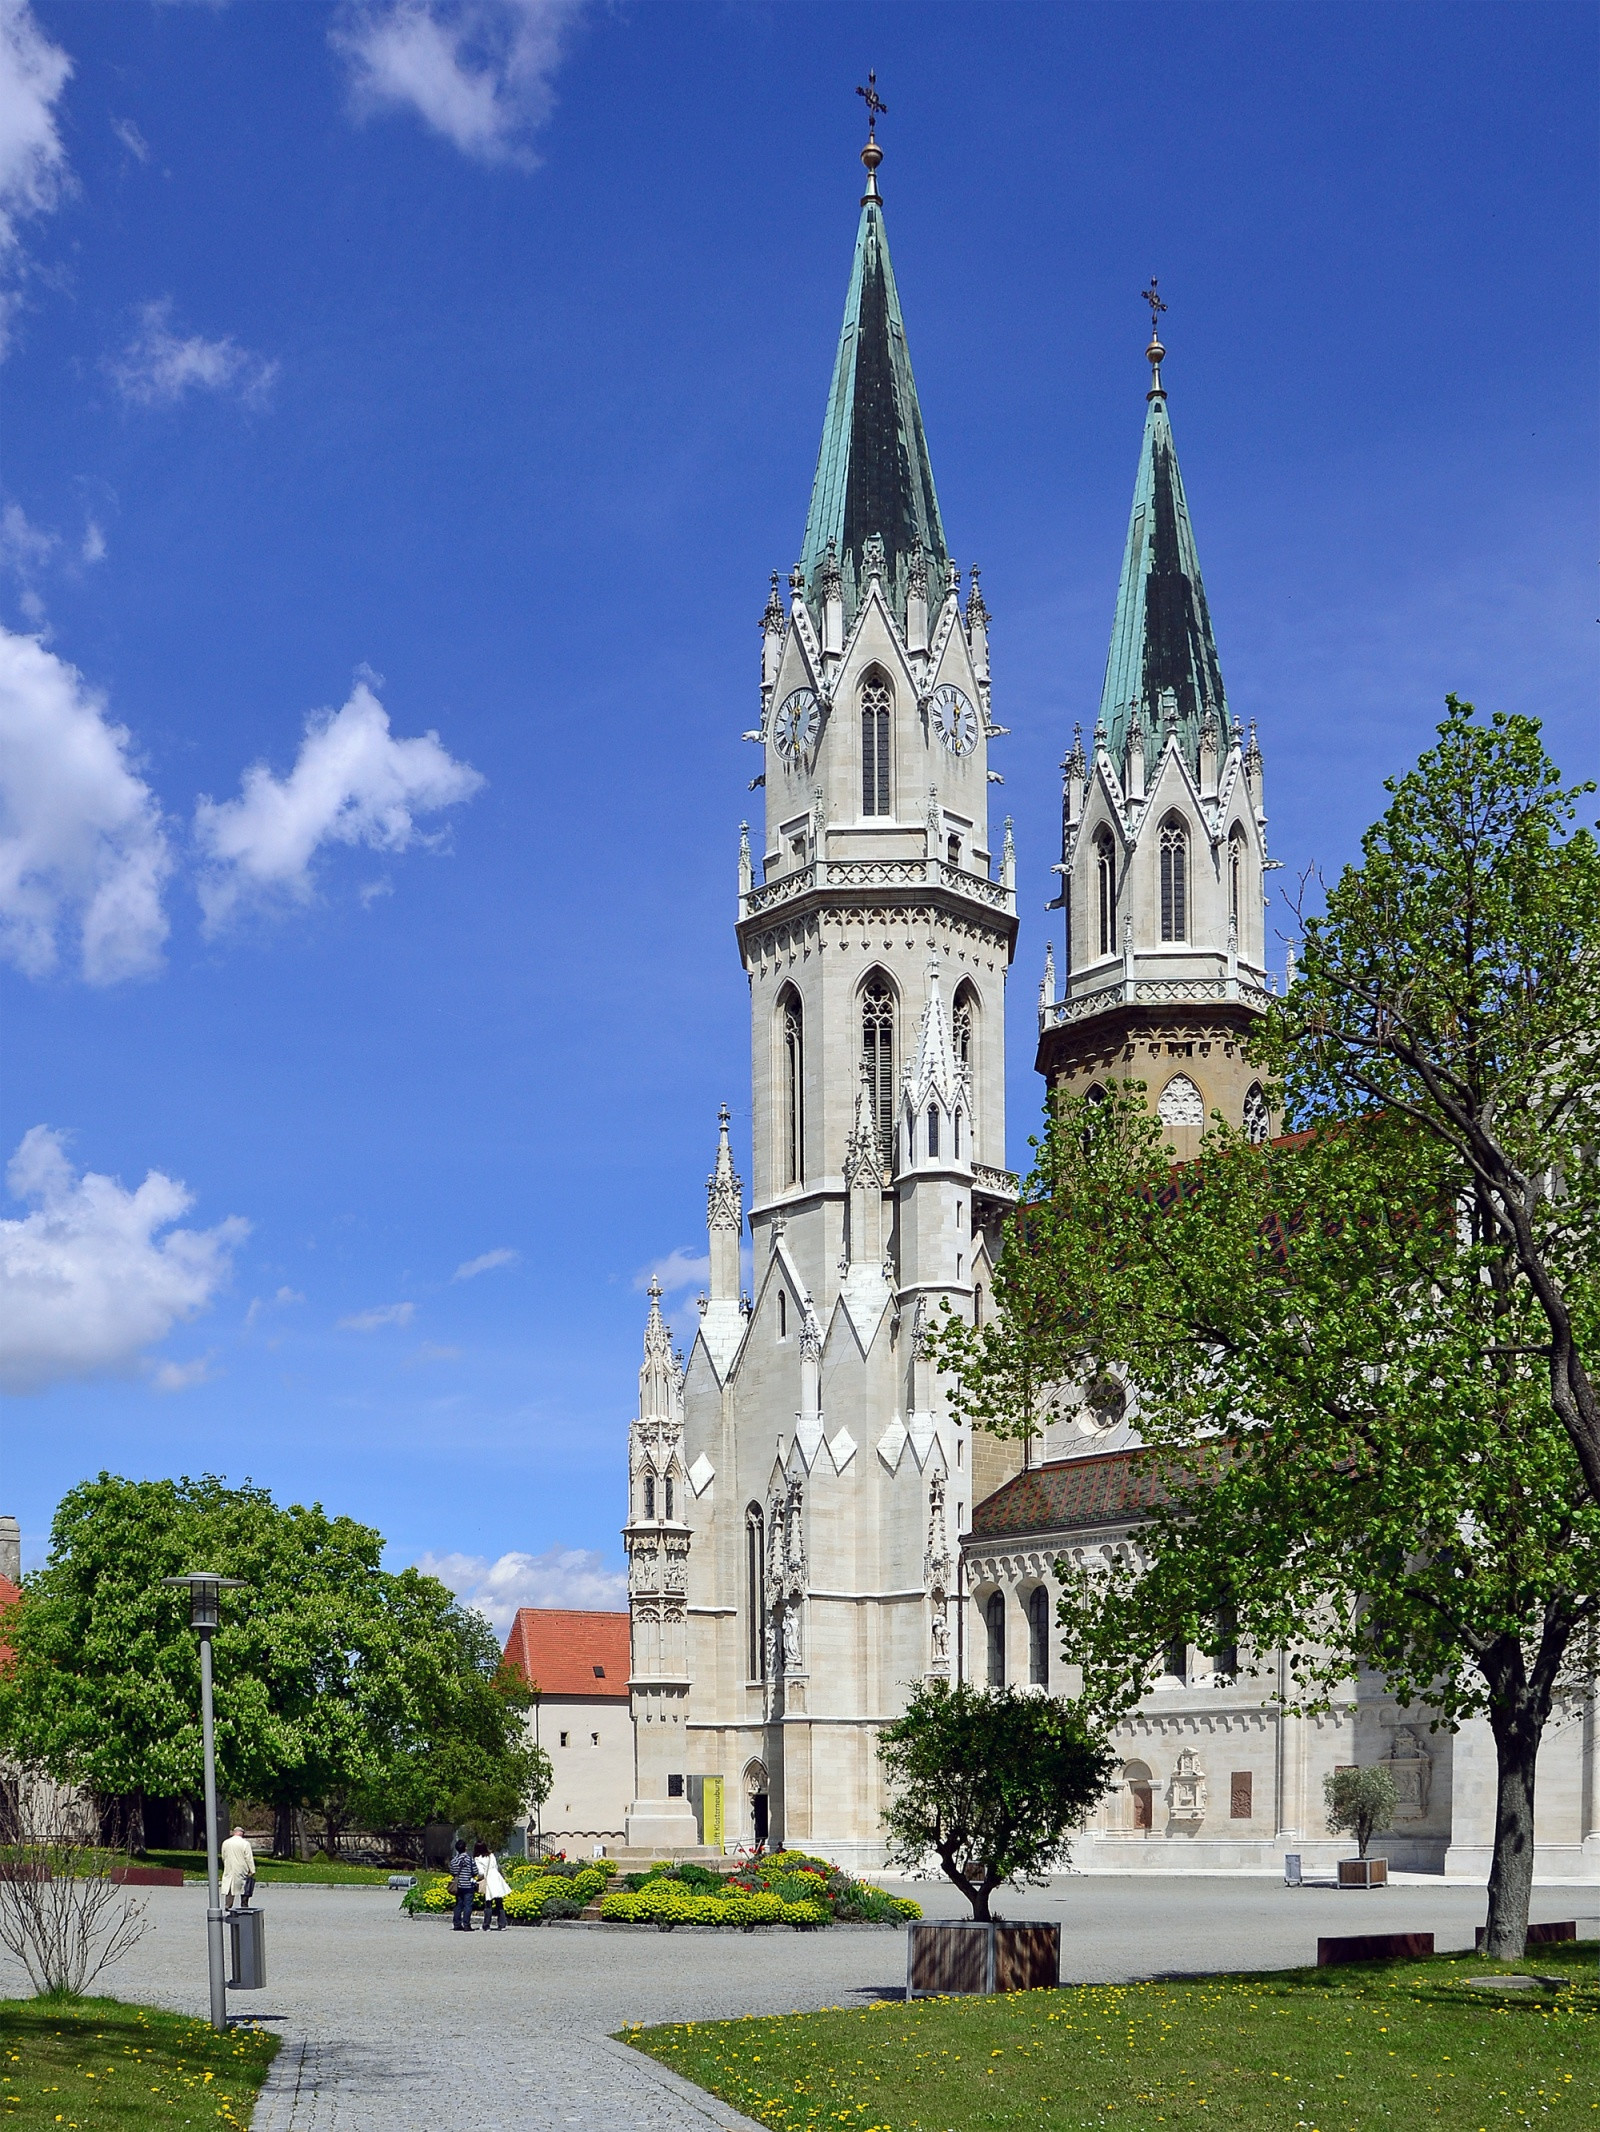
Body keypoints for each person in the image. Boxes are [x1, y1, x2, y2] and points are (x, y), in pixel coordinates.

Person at [473, 1840, 509, 1932]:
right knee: (499, 1902)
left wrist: (479, 1877)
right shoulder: (491, 1855)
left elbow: (480, 1872)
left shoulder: (477, 1858)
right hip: (496, 1877)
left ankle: (486, 1925)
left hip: (488, 1878)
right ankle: (502, 1924)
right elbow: (496, 1866)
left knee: (488, 1904)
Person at [219, 1825, 255, 1913]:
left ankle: (228, 1905)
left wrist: (226, 1864)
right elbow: (248, 1857)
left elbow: (223, 1856)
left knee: (229, 1886)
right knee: (244, 1886)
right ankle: (244, 1904)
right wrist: (252, 1869)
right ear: (241, 1833)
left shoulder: (225, 1842)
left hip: (229, 1867)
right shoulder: (245, 1843)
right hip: (241, 1867)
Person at [449, 1837, 476, 1931]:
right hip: (468, 1885)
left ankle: (457, 1924)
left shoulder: (454, 1860)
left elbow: (452, 1871)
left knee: (458, 1904)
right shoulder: (469, 1859)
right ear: (465, 1848)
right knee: (468, 1905)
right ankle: (466, 1924)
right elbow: (475, 1871)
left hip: (458, 1885)